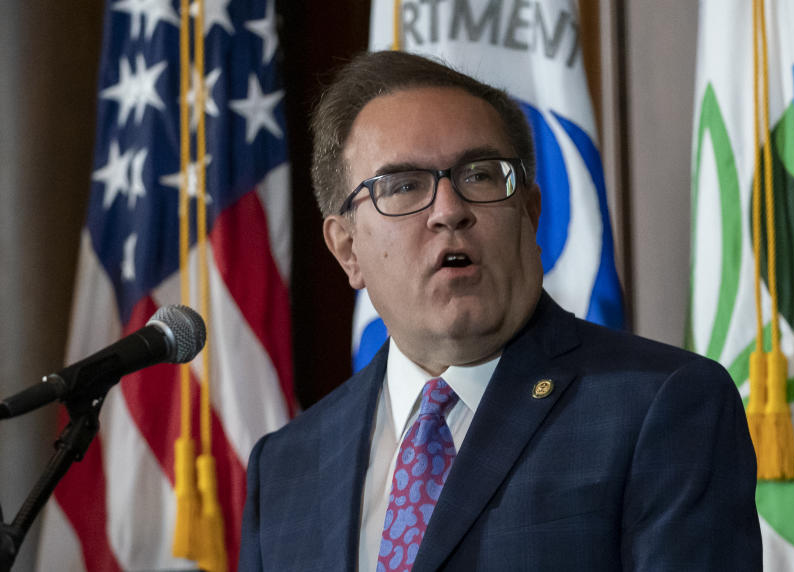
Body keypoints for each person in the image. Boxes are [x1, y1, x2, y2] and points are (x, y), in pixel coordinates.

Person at [239, 50, 761, 571]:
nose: (449, 210)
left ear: (529, 214)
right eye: (402, 186)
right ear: (347, 249)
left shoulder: (661, 406)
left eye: (481, 175)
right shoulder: (285, 467)